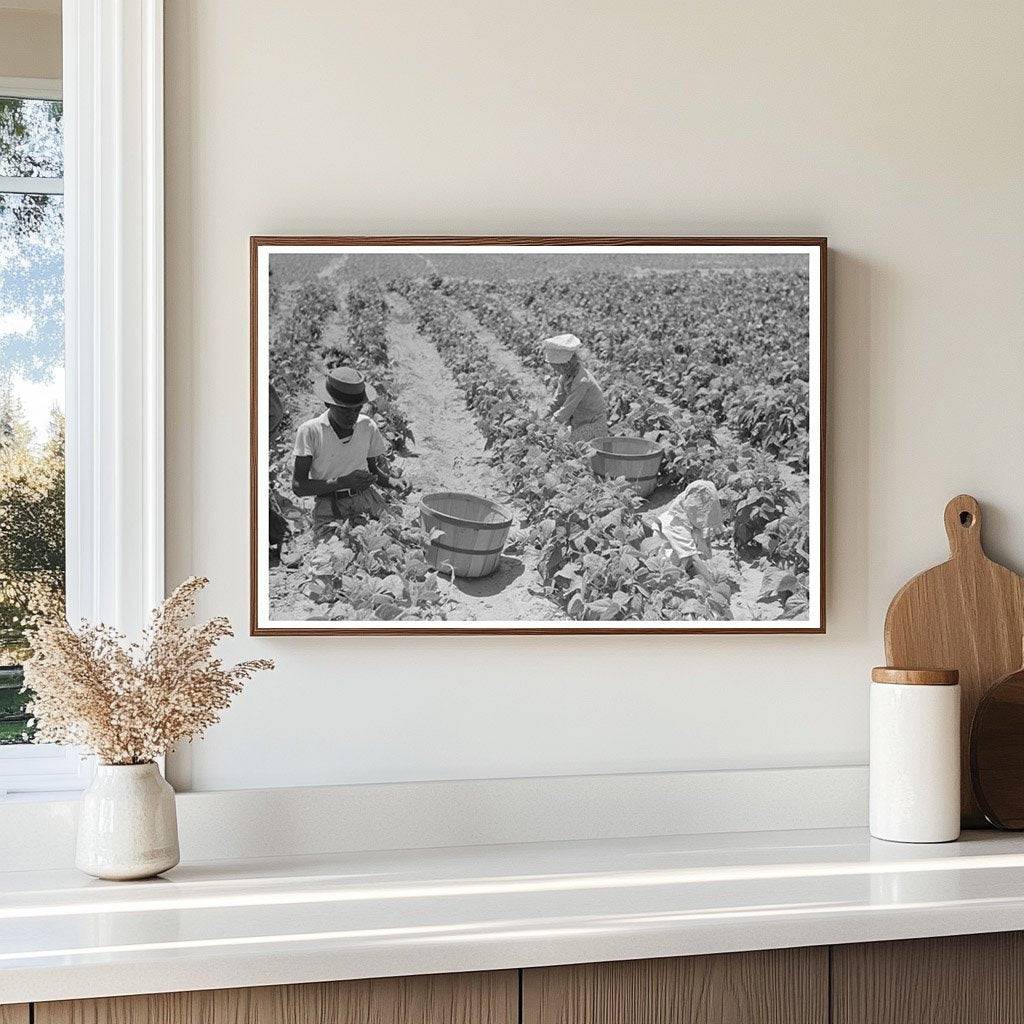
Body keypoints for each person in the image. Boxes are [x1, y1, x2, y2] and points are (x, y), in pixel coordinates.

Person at [292, 368, 399, 538]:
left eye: (357, 409)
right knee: (337, 553)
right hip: (329, 506)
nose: (352, 415)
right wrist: (342, 482)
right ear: (328, 404)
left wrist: (393, 481)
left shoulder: (367, 426)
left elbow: (372, 472)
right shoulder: (310, 431)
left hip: (366, 499)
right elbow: (299, 486)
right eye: (344, 410)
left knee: (396, 539)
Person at [647, 479, 724, 582]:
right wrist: (712, 583)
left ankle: (688, 570)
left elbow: (705, 538)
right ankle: (677, 575)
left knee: (699, 545)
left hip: (681, 549)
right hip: (661, 559)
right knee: (673, 571)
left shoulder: (686, 516)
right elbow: (693, 558)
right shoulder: (675, 524)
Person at [542, 334, 608, 443]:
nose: (555, 370)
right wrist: (544, 416)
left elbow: (568, 408)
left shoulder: (582, 381)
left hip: (594, 425)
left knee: (565, 445)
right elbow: (558, 400)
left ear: (565, 364)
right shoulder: (565, 377)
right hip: (578, 423)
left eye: (556, 366)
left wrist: (550, 424)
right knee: (559, 440)